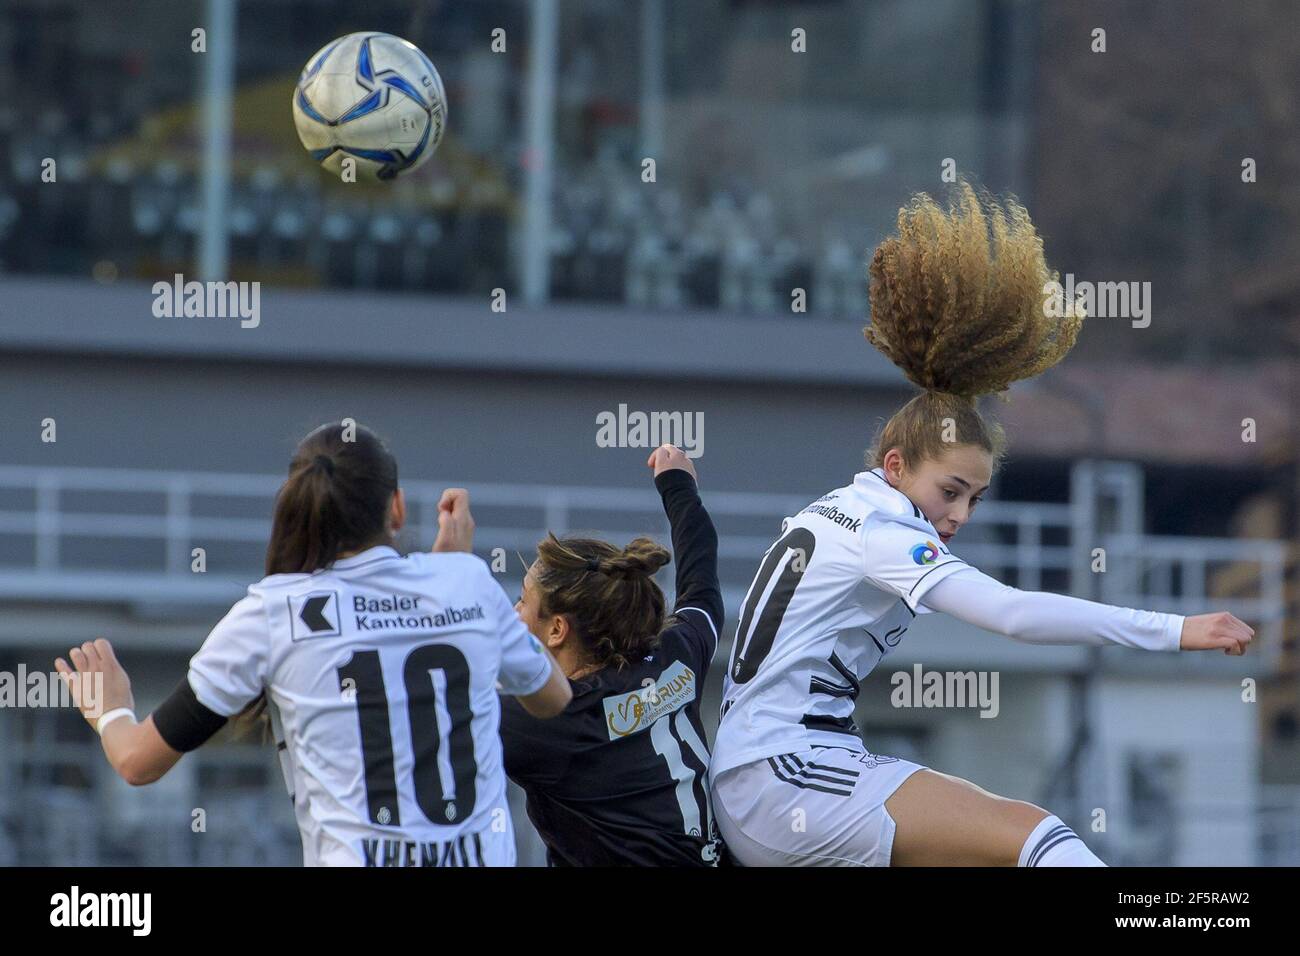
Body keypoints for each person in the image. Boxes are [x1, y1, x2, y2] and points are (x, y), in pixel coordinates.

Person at [709, 183, 1254, 867]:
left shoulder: (840, 509)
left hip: (770, 779)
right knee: (1037, 836)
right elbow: (1014, 615)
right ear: (898, 464)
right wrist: (1177, 629)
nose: (959, 515)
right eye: (951, 491)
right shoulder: (882, 530)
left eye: (976, 499)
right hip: (786, 779)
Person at [55, 421, 571, 866]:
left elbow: (136, 762)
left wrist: (111, 711)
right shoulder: (468, 581)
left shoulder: (269, 614)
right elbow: (552, 697)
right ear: (395, 507)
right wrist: (451, 572)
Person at [500, 443, 724, 865]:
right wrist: (679, 486)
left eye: (522, 601)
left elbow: (434, 727)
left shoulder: (552, 721)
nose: (512, 613)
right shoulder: (676, 654)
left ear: (557, 630)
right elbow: (702, 582)